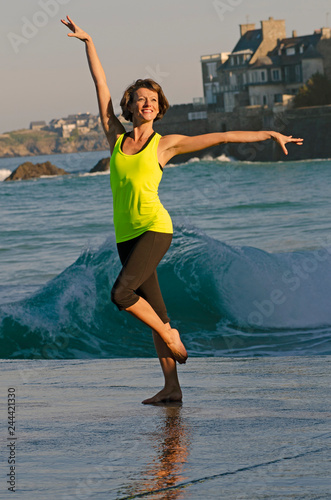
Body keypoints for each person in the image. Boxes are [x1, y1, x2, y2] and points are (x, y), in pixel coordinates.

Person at [61, 15, 303, 404]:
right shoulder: (116, 139)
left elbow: (220, 136)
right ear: (131, 105)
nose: (148, 104)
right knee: (156, 312)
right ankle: (172, 388)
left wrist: (269, 133)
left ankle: (172, 337)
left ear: (159, 109)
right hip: (127, 235)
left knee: (122, 294)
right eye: (141, 98)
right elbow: (100, 85)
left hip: (155, 229)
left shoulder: (165, 145)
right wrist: (89, 41)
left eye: (154, 100)